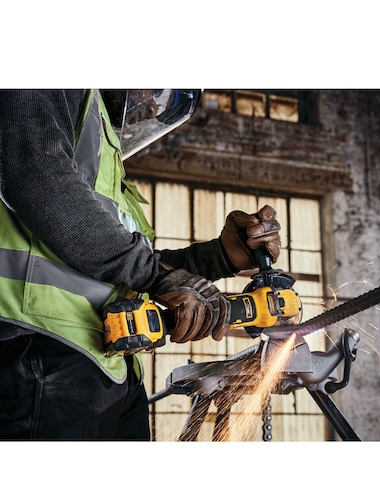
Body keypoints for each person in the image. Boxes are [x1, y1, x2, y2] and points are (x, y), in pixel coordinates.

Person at [0, 89, 282, 440]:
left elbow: (128, 270)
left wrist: (220, 257)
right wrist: (157, 276)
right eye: (156, 91)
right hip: (39, 350)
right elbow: (36, 176)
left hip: (111, 364)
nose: (152, 105)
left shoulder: (103, 152)